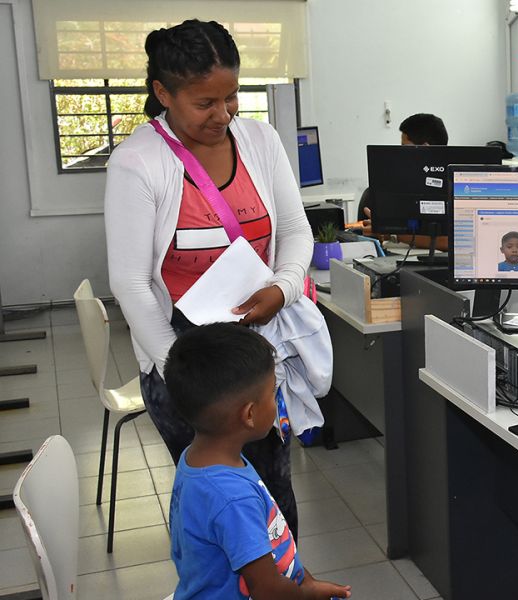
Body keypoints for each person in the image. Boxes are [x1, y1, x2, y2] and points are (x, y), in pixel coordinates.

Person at [104, 19, 311, 537]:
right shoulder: (138, 163)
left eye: (232, 97)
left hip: (255, 351)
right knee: (217, 507)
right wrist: (184, 376)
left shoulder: (260, 140)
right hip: (182, 361)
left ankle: (282, 585)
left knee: (274, 494)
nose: (224, 115)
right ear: (162, 93)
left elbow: (294, 230)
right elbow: (130, 283)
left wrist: (281, 289)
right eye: (205, 103)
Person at [164, 323, 350, 600]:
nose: (277, 402)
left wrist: (305, 581)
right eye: (273, 393)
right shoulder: (232, 498)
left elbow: (271, 545)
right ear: (249, 414)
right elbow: (267, 590)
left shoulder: (201, 458)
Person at [357, 113, 450, 251]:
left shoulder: (454, 187)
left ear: (424, 149)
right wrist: (378, 232)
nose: (401, 152)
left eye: (405, 146)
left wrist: (393, 233)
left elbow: (451, 242)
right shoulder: (396, 188)